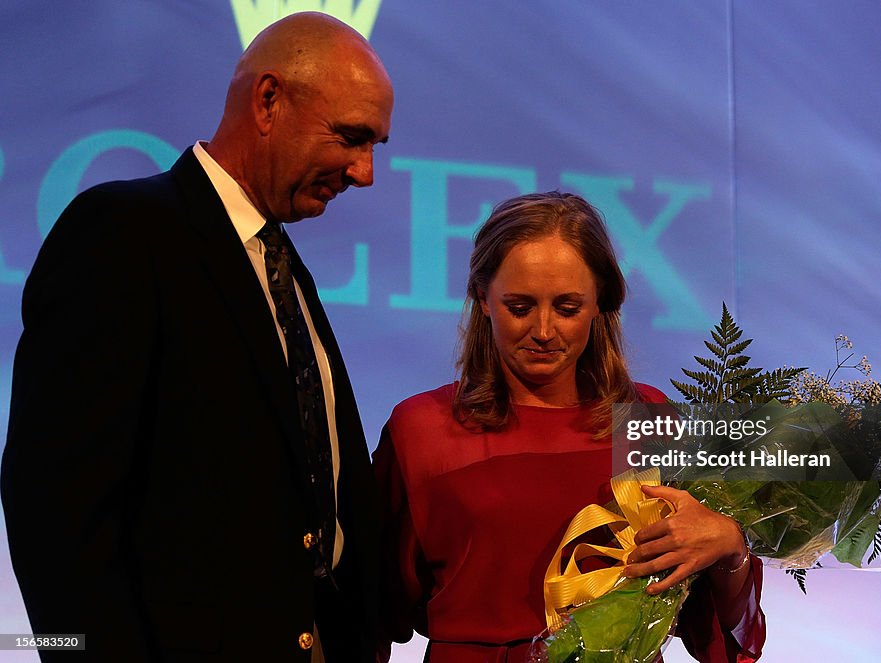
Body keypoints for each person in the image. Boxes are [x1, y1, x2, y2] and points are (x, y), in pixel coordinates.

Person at [1, 12, 392, 662]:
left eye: (375, 144)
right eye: (351, 137)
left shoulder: (285, 271)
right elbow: (54, 513)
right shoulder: (122, 233)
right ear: (268, 101)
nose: (365, 171)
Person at [374, 192, 765, 662]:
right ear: (482, 298)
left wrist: (730, 548)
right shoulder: (421, 430)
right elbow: (371, 611)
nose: (542, 330)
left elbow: (715, 627)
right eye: (519, 306)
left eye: (567, 307)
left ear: (601, 302)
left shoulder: (646, 420)